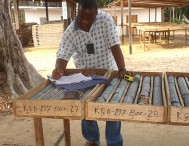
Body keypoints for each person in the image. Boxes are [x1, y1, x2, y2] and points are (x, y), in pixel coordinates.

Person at [52, 0, 132, 145]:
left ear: (96, 14)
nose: (84, 21)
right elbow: (63, 55)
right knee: (86, 107)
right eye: (81, 17)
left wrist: (122, 69)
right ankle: (92, 140)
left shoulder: (105, 20)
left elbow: (115, 46)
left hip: (108, 73)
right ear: (78, 12)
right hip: (85, 78)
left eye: (89, 18)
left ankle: (114, 142)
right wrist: (58, 69)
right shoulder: (71, 31)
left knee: (112, 107)